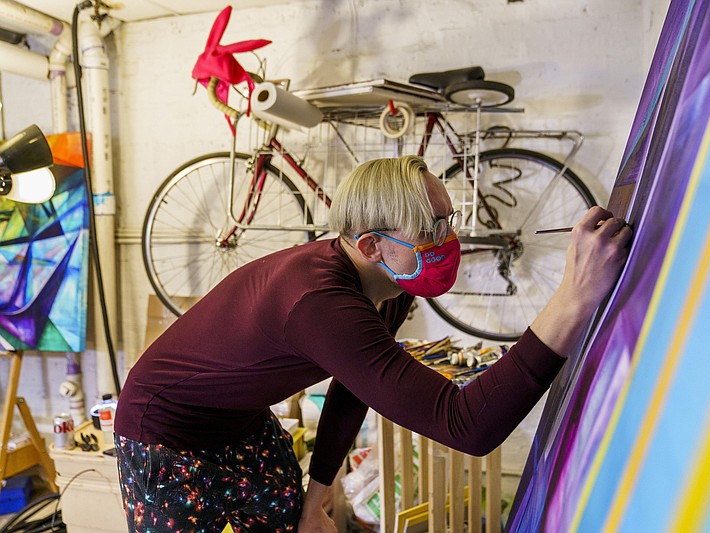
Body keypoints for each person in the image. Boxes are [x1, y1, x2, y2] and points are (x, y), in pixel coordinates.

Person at [114, 155, 631, 532]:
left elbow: (354, 386)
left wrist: (317, 501)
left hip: (240, 420)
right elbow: (467, 424)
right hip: (164, 430)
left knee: (293, 524)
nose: (449, 241)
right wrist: (574, 298)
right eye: (431, 228)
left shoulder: (386, 281)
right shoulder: (319, 300)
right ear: (370, 244)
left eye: (448, 220)